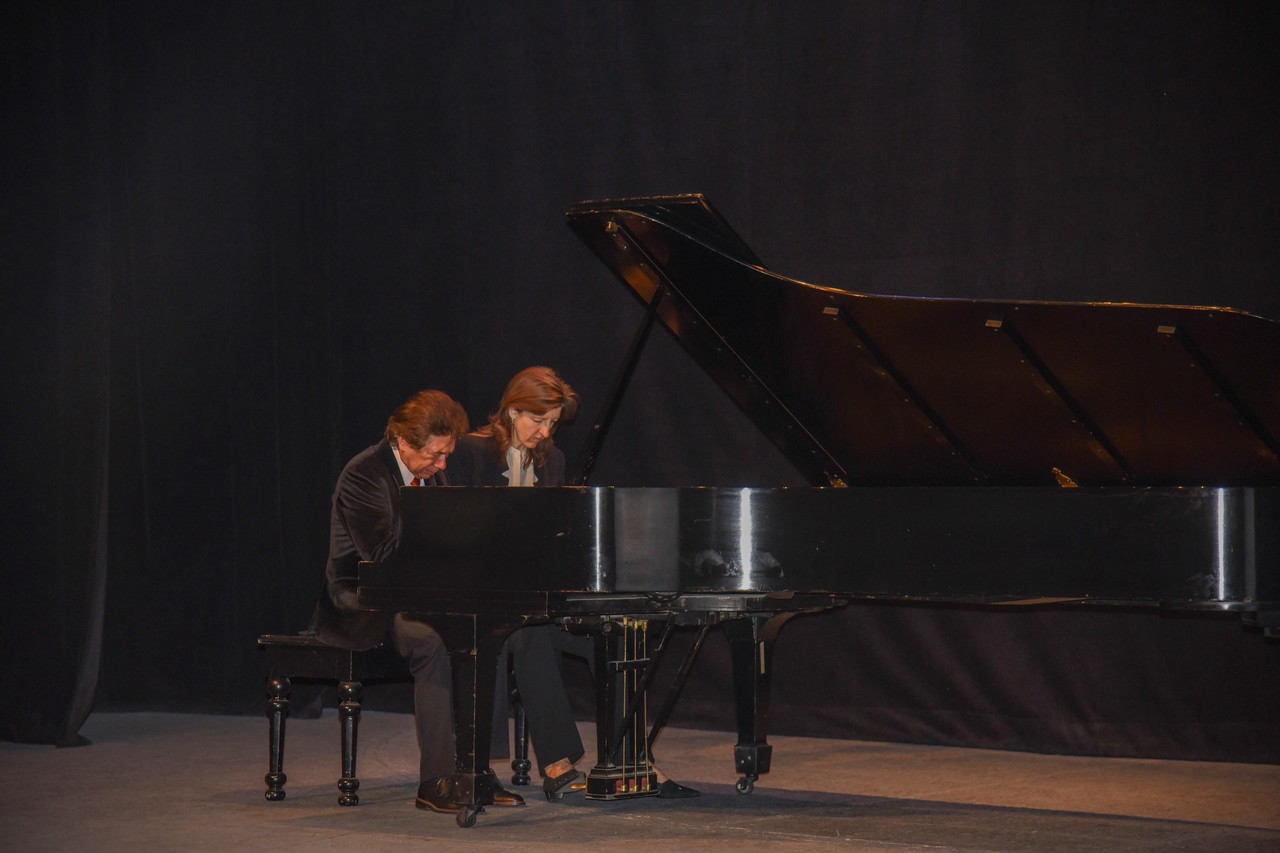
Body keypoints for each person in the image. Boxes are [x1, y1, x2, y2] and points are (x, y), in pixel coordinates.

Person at [450, 366, 698, 799]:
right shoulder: (470, 453)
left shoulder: (554, 461)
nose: (544, 433)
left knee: (619, 635)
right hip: (480, 598)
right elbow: (456, 538)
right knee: (530, 638)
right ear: (511, 411)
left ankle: (633, 759)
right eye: (536, 420)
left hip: (536, 598)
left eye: (551, 424)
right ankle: (557, 764)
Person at [310, 388, 524, 815]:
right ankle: (437, 780)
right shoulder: (364, 474)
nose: (443, 465)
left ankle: (476, 770)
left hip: (418, 593)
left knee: (487, 629)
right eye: (436, 454)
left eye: (447, 455)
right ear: (404, 442)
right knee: (434, 640)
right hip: (367, 598)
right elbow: (383, 556)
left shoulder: (430, 474)